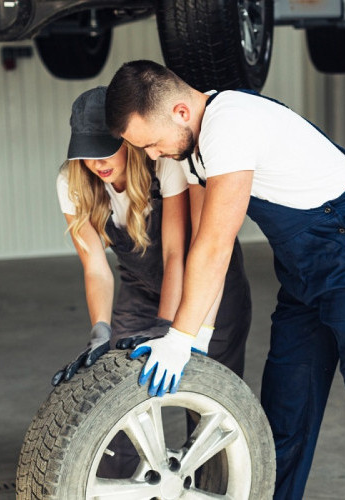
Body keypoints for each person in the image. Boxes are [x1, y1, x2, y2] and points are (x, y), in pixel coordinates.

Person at [105, 60, 345, 499]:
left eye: (151, 143)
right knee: (285, 410)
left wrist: (178, 338)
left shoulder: (230, 124)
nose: (151, 155)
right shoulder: (191, 149)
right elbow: (204, 246)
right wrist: (194, 336)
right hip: (304, 272)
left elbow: (217, 244)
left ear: (180, 112)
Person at [51, 86, 252, 389]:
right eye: (87, 153)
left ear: (127, 139)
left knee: (202, 391)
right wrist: (100, 331)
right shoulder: (71, 182)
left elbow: (174, 253)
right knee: (111, 384)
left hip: (205, 288)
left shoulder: (163, 165)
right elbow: (94, 267)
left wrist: (167, 327)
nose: (97, 163)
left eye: (106, 150)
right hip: (139, 291)